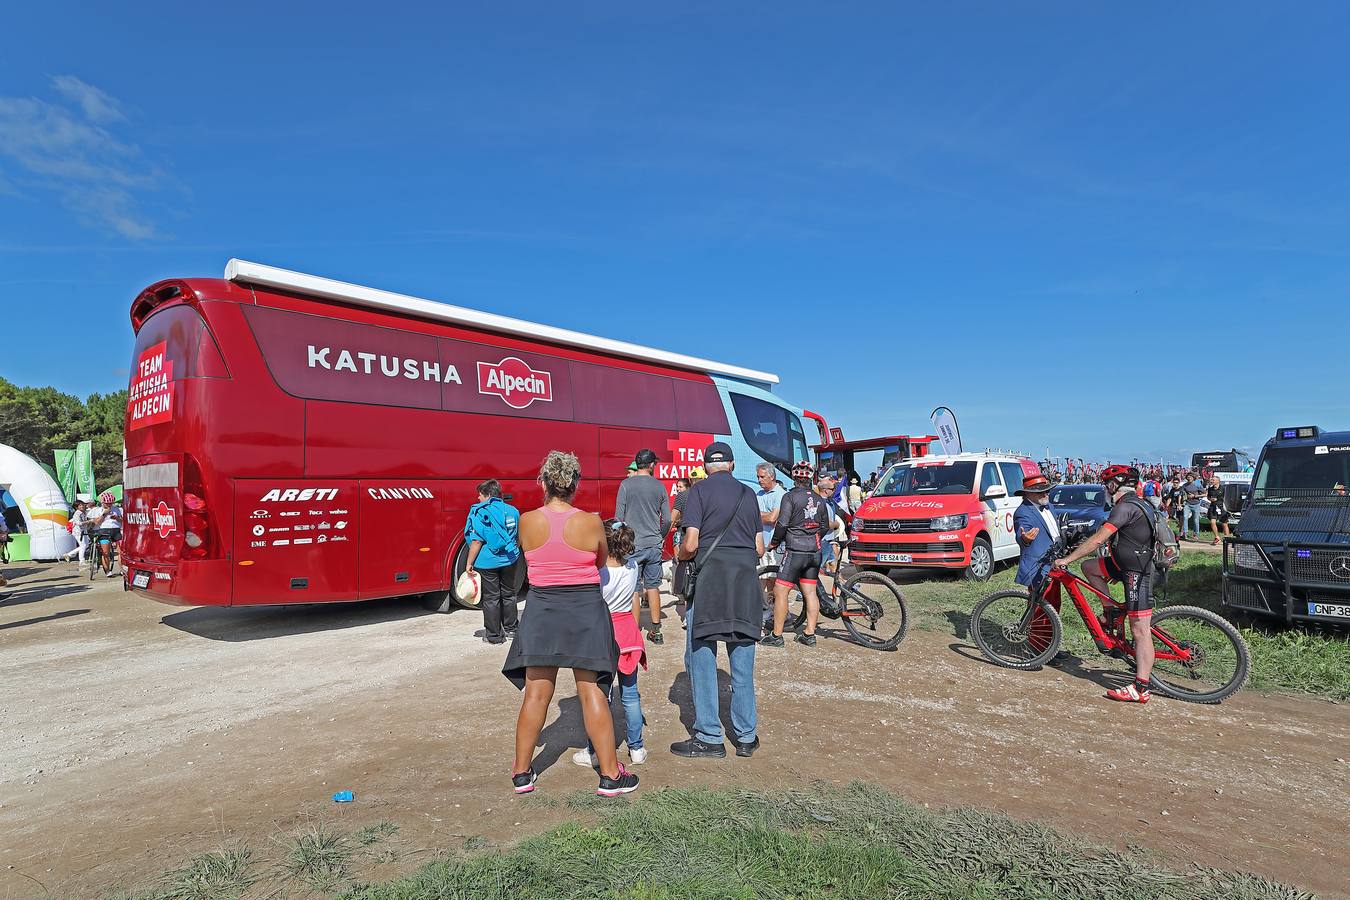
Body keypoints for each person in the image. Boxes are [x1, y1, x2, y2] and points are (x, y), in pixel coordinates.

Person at [503, 451, 639, 797]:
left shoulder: (527, 520)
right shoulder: (592, 522)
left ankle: (521, 773)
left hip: (542, 610)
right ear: (575, 485)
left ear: (544, 482)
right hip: (584, 611)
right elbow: (598, 560)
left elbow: (524, 556)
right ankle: (610, 775)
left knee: (536, 693)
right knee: (592, 690)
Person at [672, 441, 764, 759]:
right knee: (742, 662)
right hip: (744, 584)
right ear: (732, 465)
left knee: (701, 657)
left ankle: (710, 736)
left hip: (710, 583)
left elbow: (692, 543)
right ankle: (746, 736)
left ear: (706, 467)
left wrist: (678, 553)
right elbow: (760, 549)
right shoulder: (748, 494)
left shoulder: (698, 492)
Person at [1052, 465, 1157, 704]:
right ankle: (1109, 610)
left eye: (1107, 484)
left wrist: (1067, 559)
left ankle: (1141, 688)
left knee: (1140, 631)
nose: (1106, 489)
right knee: (1089, 567)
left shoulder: (1126, 506)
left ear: (1115, 484)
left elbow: (1100, 537)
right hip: (1122, 565)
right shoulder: (1139, 503)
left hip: (1136, 572)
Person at [573, 519, 649, 768]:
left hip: (603, 632)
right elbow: (634, 600)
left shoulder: (598, 572)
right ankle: (636, 748)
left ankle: (595, 750)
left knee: (600, 696)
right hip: (628, 632)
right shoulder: (634, 566)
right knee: (631, 694)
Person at [762, 461, 831, 648]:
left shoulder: (789, 497)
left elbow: (782, 524)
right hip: (814, 552)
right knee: (810, 592)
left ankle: (776, 636)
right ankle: (809, 633)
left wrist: (775, 542)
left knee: (780, 590)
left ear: (794, 477)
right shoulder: (819, 499)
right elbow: (825, 526)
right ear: (810, 478)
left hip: (795, 551)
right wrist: (813, 537)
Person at [614, 449, 671, 645]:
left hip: (633, 545)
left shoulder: (626, 485)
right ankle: (656, 631)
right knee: (653, 586)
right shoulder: (659, 486)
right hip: (654, 544)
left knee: (634, 589)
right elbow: (668, 519)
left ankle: (634, 631)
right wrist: (660, 536)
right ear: (652, 465)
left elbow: (618, 519)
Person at [464, 479, 522, 644]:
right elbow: (518, 537)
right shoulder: (513, 511)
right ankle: (511, 629)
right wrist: (513, 552)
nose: (478, 498)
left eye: (480, 495)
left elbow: (476, 541)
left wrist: (469, 563)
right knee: (509, 594)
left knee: (491, 598)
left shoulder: (480, 512)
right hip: (510, 559)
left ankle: (494, 636)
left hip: (487, 562)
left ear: (488, 495)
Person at [1012, 472, 1059, 589]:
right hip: (1038, 567)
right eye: (1040, 492)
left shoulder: (1049, 506)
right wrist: (1025, 539)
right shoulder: (1023, 512)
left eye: (1047, 490)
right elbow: (1022, 533)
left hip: (1054, 562)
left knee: (1054, 602)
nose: (1045, 494)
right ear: (1028, 493)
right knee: (1039, 604)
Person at [754, 463, 786, 567]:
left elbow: (772, 519)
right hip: (760, 545)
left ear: (772, 477)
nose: (759, 480)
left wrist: (758, 515)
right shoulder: (759, 494)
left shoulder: (781, 494)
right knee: (761, 578)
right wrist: (767, 515)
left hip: (774, 546)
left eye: (762, 477)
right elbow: (751, 515)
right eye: (758, 477)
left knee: (773, 578)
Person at [90, 491, 123, 577]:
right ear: (102, 502)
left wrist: (117, 518)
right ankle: (107, 571)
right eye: (107, 503)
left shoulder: (117, 509)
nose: (109, 505)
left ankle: (122, 570)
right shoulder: (97, 510)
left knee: (121, 552)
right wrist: (104, 514)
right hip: (104, 531)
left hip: (116, 530)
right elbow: (97, 522)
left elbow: (123, 521)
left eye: (111, 503)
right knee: (106, 552)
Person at [1207, 475, 1232, 545]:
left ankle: (1227, 539)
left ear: (1218, 481)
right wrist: (1210, 499)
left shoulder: (1223, 488)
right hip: (1213, 507)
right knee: (1212, 522)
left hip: (1221, 507)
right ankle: (1217, 537)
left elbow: (1227, 498)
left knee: (1224, 524)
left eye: (1213, 480)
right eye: (1212, 480)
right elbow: (1208, 497)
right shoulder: (1210, 489)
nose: (1212, 481)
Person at [1181, 472, 1207, 541]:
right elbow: (1181, 494)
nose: (1189, 478)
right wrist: (1182, 501)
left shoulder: (1198, 485)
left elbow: (1205, 494)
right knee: (1185, 517)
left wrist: (1195, 496)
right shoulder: (1184, 485)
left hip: (1196, 504)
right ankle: (1185, 533)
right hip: (1187, 504)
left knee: (1196, 520)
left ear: (1193, 478)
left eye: (1190, 477)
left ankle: (1195, 534)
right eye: (1188, 477)